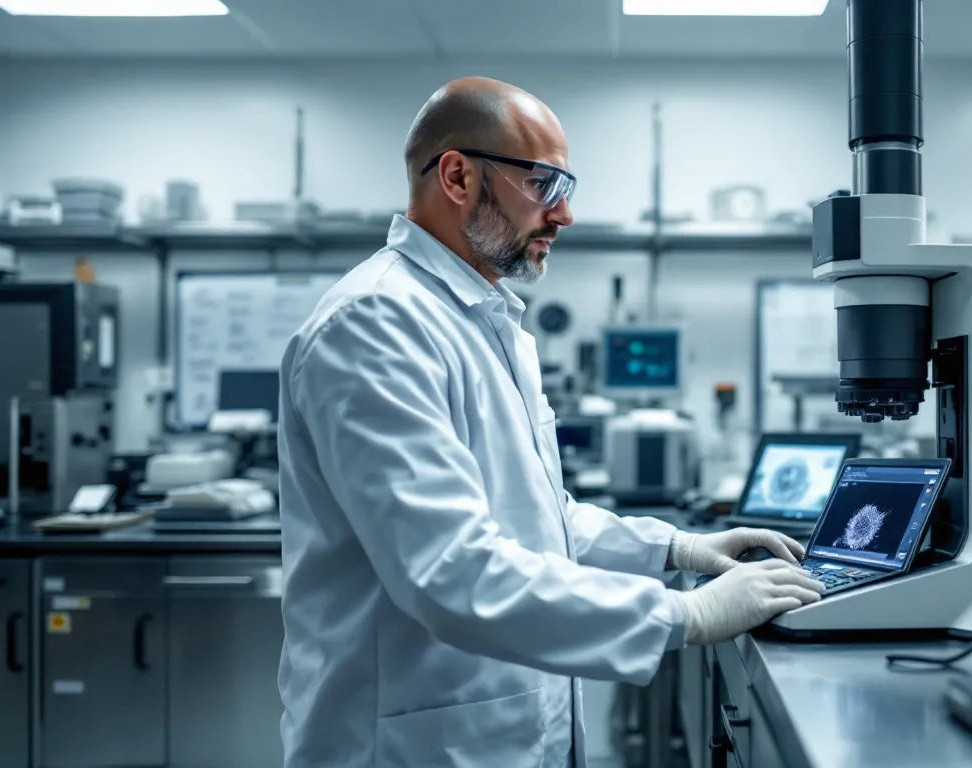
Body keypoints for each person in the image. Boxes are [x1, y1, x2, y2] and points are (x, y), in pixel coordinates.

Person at [277, 76, 824, 768]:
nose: (564, 216)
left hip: (496, 730)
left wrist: (675, 548)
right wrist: (685, 615)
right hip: (404, 742)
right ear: (457, 176)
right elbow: (452, 572)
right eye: (545, 185)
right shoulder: (376, 324)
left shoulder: (483, 320)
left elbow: (535, 516)